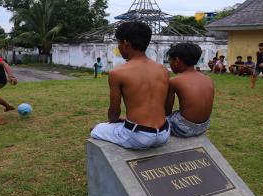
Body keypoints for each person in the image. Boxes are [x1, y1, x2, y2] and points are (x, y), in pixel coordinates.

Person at [90, 22, 170, 150]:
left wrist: (114, 121)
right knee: (125, 125)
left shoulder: (118, 72)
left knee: (96, 129)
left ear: (126, 44)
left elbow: (114, 113)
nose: (119, 47)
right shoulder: (162, 70)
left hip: (138, 137)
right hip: (163, 133)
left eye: (119, 43)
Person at [166, 43, 214, 138]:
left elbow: (167, 111)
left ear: (177, 60)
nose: (169, 64)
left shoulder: (175, 81)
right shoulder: (208, 79)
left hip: (183, 129)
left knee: (154, 119)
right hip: (204, 126)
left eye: (169, 60)